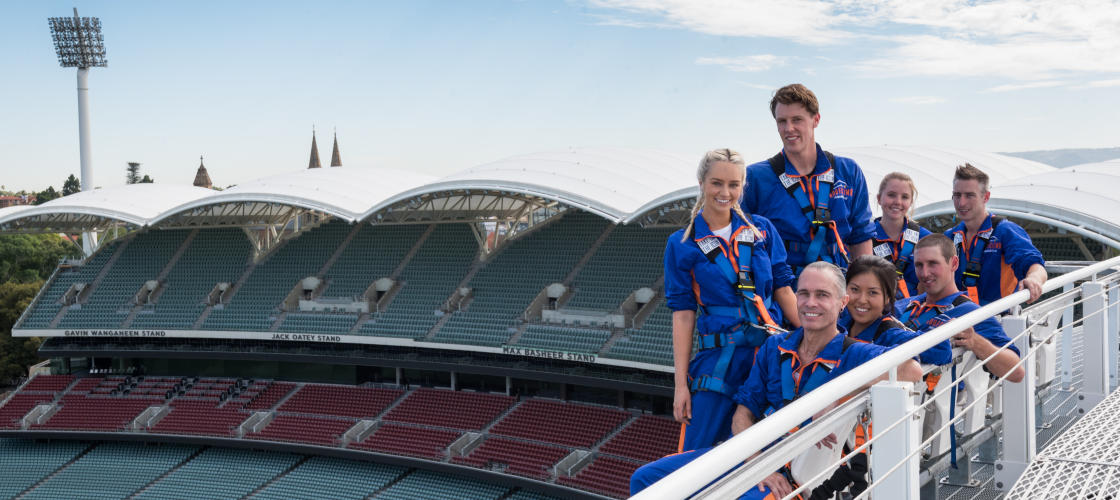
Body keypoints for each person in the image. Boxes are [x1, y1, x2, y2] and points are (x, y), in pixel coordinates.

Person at [631, 263, 922, 497]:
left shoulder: (854, 353)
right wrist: (758, 464)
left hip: (793, 471)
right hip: (750, 457)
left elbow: (912, 370)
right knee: (645, 479)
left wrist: (838, 394)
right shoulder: (775, 346)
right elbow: (743, 413)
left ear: (842, 302)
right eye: (803, 294)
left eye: (822, 295)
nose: (810, 303)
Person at [663, 148, 800, 453]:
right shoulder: (682, 244)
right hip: (720, 360)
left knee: (775, 448)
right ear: (702, 183)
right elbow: (683, 313)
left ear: (742, 186)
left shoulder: (762, 230)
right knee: (697, 454)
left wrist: (817, 337)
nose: (725, 193)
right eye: (717, 183)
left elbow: (783, 289)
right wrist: (680, 385)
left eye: (733, 184)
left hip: (769, 355)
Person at [742, 84, 875, 276]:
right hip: (785, 283)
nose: (789, 128)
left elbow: (861, 236)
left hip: (839, 281)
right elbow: (739, 238)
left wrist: (861, 285)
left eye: (797, 120)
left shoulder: (847, 171)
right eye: (782, 121)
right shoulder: (755, 177)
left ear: (816, 120)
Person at [894, 234, 1025, 383]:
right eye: (919, 265)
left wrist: (975, 341)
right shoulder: (902, 306)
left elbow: (1016, 373)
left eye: (933, 263)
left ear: (954, 264)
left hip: (931, 394)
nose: (925, 273)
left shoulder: (970, 314)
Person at [945, 164, 1046, 306]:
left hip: (997, 315)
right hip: (958, 315)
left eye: (969, 195)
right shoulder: (950, 236)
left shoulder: (1005, 231)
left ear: (985, 197)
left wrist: (1034, 279)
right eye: (957, 195)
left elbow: (1034, 264)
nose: (961, 203)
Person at [840, 255, 950, 366]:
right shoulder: (841, 322)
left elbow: (941, 349)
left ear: (888, 297)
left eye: (872, 292)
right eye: (855, 289)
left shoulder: (889, 334)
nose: (862, 300)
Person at [871, 172, 931, 298]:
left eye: (904, 197)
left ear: (911, 202)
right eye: (891, 195)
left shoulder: (926, 239)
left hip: (917, 307)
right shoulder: (864, 238)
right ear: (879, 198)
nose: (898, 202)